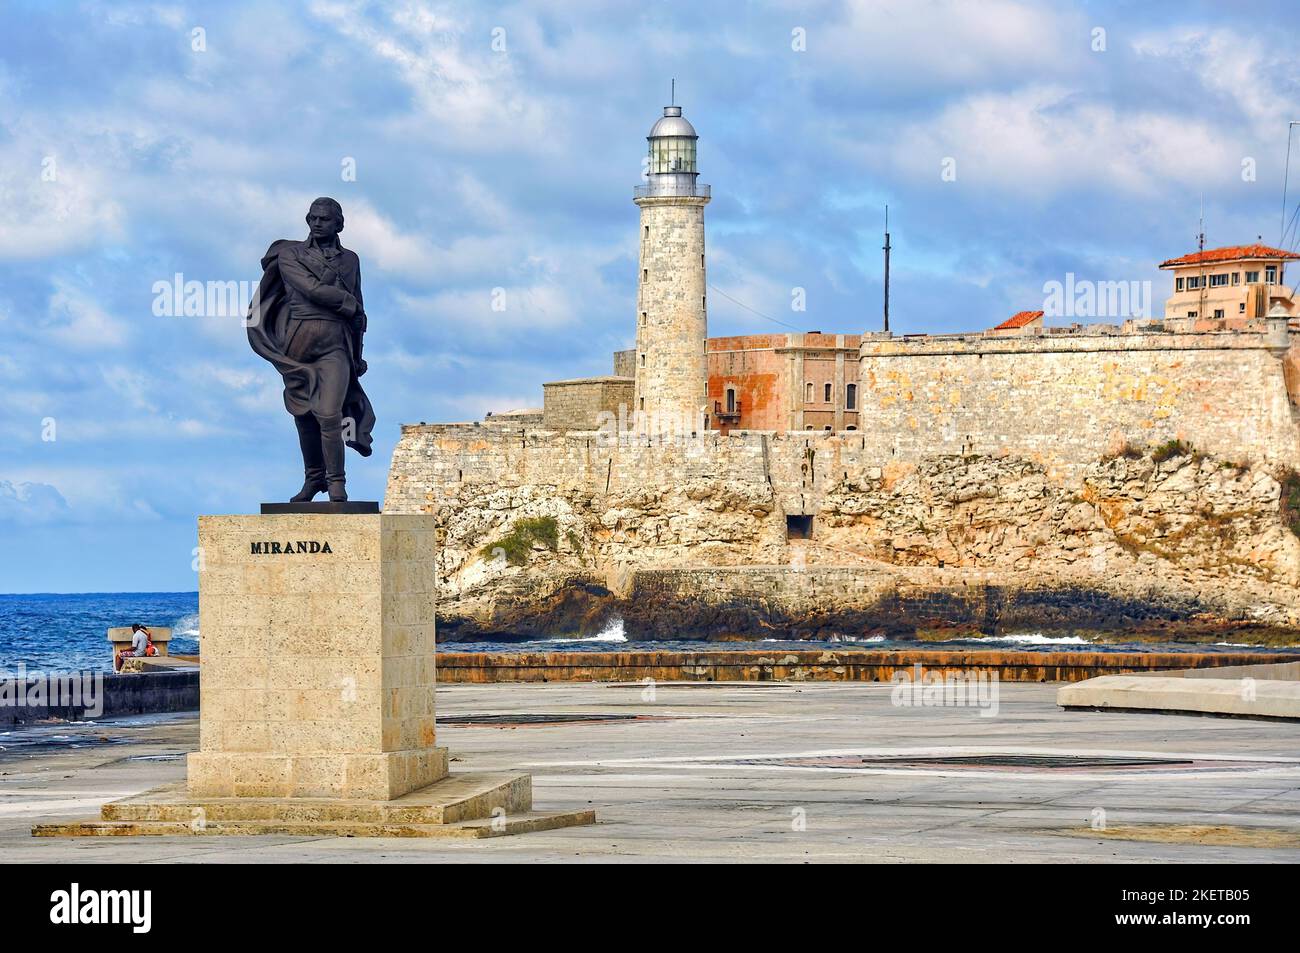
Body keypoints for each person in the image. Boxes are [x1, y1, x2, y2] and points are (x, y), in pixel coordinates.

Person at [246, 197, 375, 503]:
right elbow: (310, 289)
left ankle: (336, 482)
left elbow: (360, 313)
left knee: (329, 413)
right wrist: (346, 302)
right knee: (303, 415)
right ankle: (313, 478)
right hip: (299, 343)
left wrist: (357, 356)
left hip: (335, 345)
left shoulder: (351, 260)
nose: (317, 223)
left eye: (324, 219)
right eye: (313, 218)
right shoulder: (290, 255)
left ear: (338, 224)